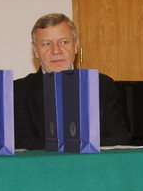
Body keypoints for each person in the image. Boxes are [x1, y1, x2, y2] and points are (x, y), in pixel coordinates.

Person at [14, 13, 131, 150]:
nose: (56, 51)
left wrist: (69, 146)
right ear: (35, 50)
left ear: (75, 45)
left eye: (63, 42)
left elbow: (119, 137)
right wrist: (75, 145)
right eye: (47, 44)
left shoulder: (101, 85)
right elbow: (21, 141)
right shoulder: (18, 90)